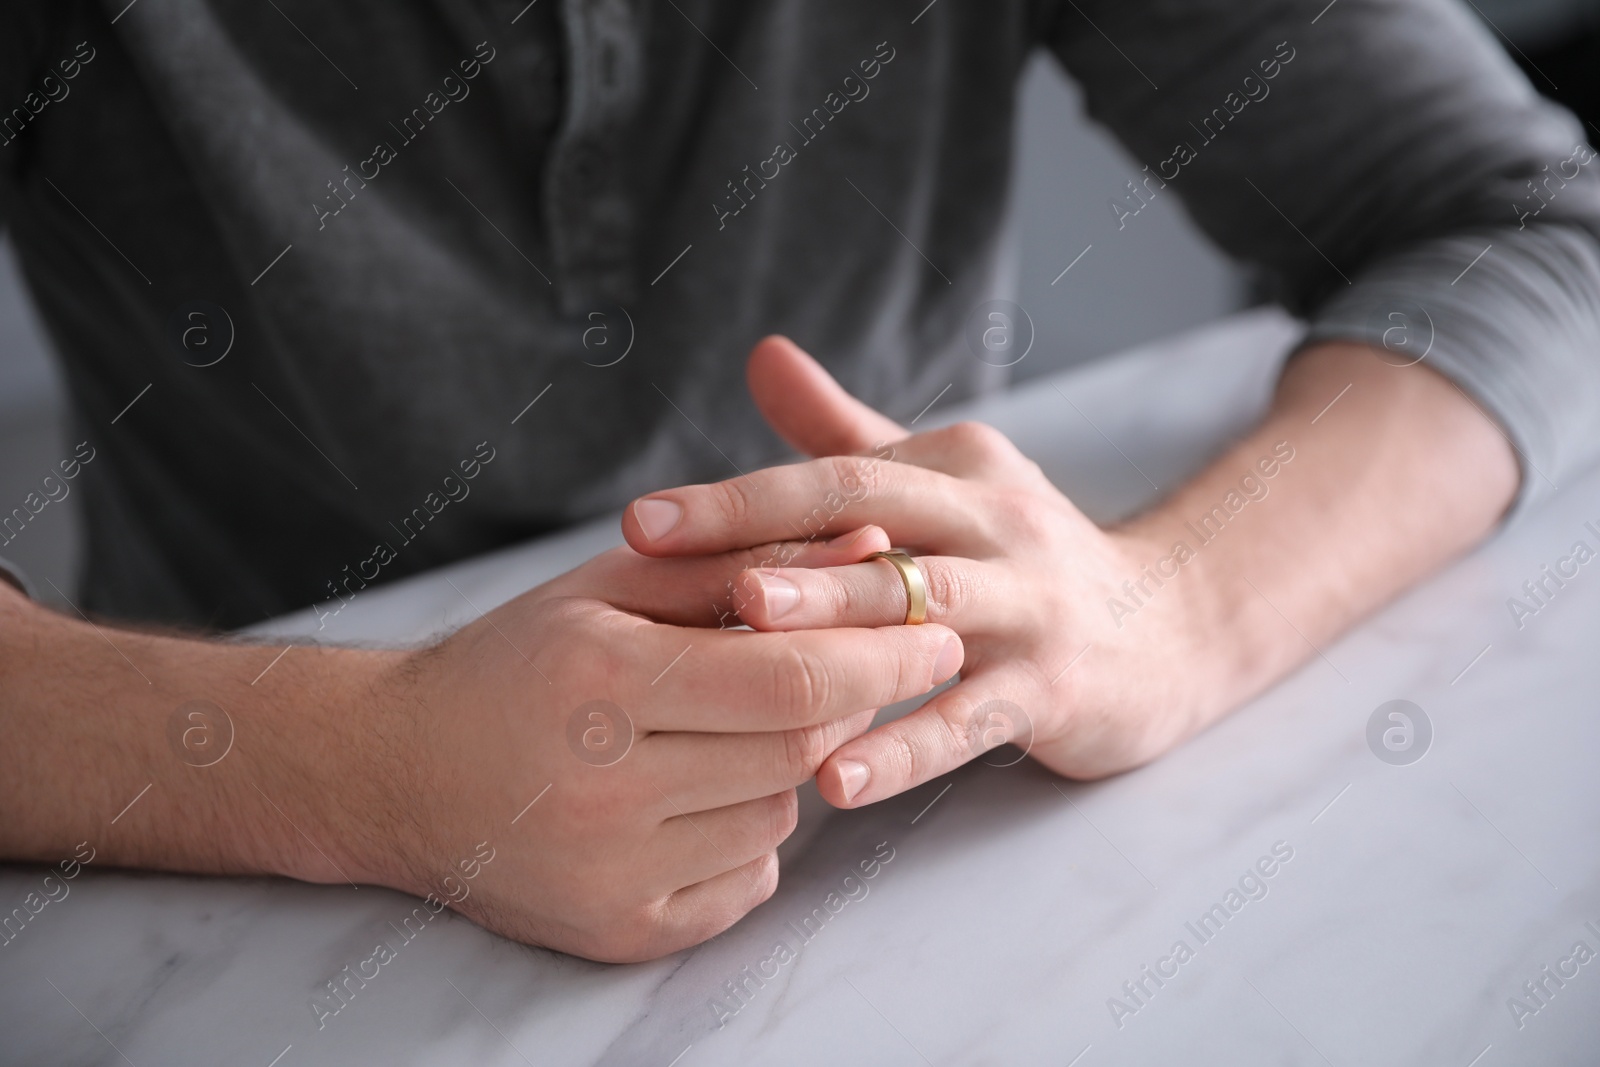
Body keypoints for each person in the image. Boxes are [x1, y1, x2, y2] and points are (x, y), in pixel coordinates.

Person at [1, 0, 1596, 964]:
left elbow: (1543, 228)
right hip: (220, 840)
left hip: (948, 826)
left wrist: (1177, 606)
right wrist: (379, 770)